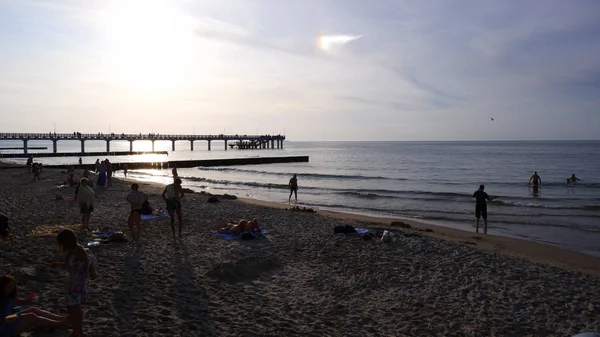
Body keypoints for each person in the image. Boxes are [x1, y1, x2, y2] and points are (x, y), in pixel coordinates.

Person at [50, 229, 93, 337]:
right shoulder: (71, 250)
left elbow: (87, 261)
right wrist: (59, 265)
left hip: (77, 281)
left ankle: (78, 332)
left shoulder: (78, 250)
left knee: (74, 307)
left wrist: (87, 273)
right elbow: (71, 264)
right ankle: (76, 331)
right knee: (72, 307)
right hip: (74, 280)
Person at [1, 274, 69, 336]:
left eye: (12, 287)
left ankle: (58, 318)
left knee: (33, 309)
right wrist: (17, 317)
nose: (11, 289)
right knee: (30, 316)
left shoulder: (9, 296)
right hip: (4, 325)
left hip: (10, 318)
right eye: (9, 287)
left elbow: (19, 301)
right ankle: (59, 323)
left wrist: (28, 301)